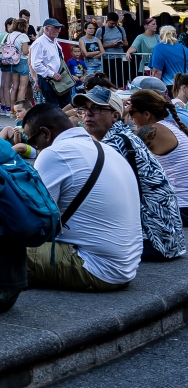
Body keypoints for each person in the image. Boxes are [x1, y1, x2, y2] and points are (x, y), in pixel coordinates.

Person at [19, 103, 143, 290]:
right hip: (127, 265)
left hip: (96, 268)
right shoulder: (105, 149)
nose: (34, 146)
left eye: (32, 140)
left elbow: (34, 219)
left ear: (45, 133)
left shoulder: (53, 153)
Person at [70, 86, 186, 260]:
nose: (88, 113)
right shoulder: (124, 136)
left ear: (115, 116)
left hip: (154, 241)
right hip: (168, 238)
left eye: (96, 108)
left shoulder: (116, 144)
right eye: (84, 109)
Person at [125, 85, 188, 225]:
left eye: (132, 113)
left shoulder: (151, 131)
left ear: (147, 115)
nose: (130, 118)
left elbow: (112, 147)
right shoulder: (170, 125)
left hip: (180, 207)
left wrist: (119, 112)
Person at [0, 17, 29, 116]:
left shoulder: (10, 35)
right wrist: (31, 49)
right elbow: (25, 51)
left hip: (13, 62)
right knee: (22, 88)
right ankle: (21, 112)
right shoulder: (23, 36)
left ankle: (12, 111)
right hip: (22, 61)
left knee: (14, 87)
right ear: (24, 26)